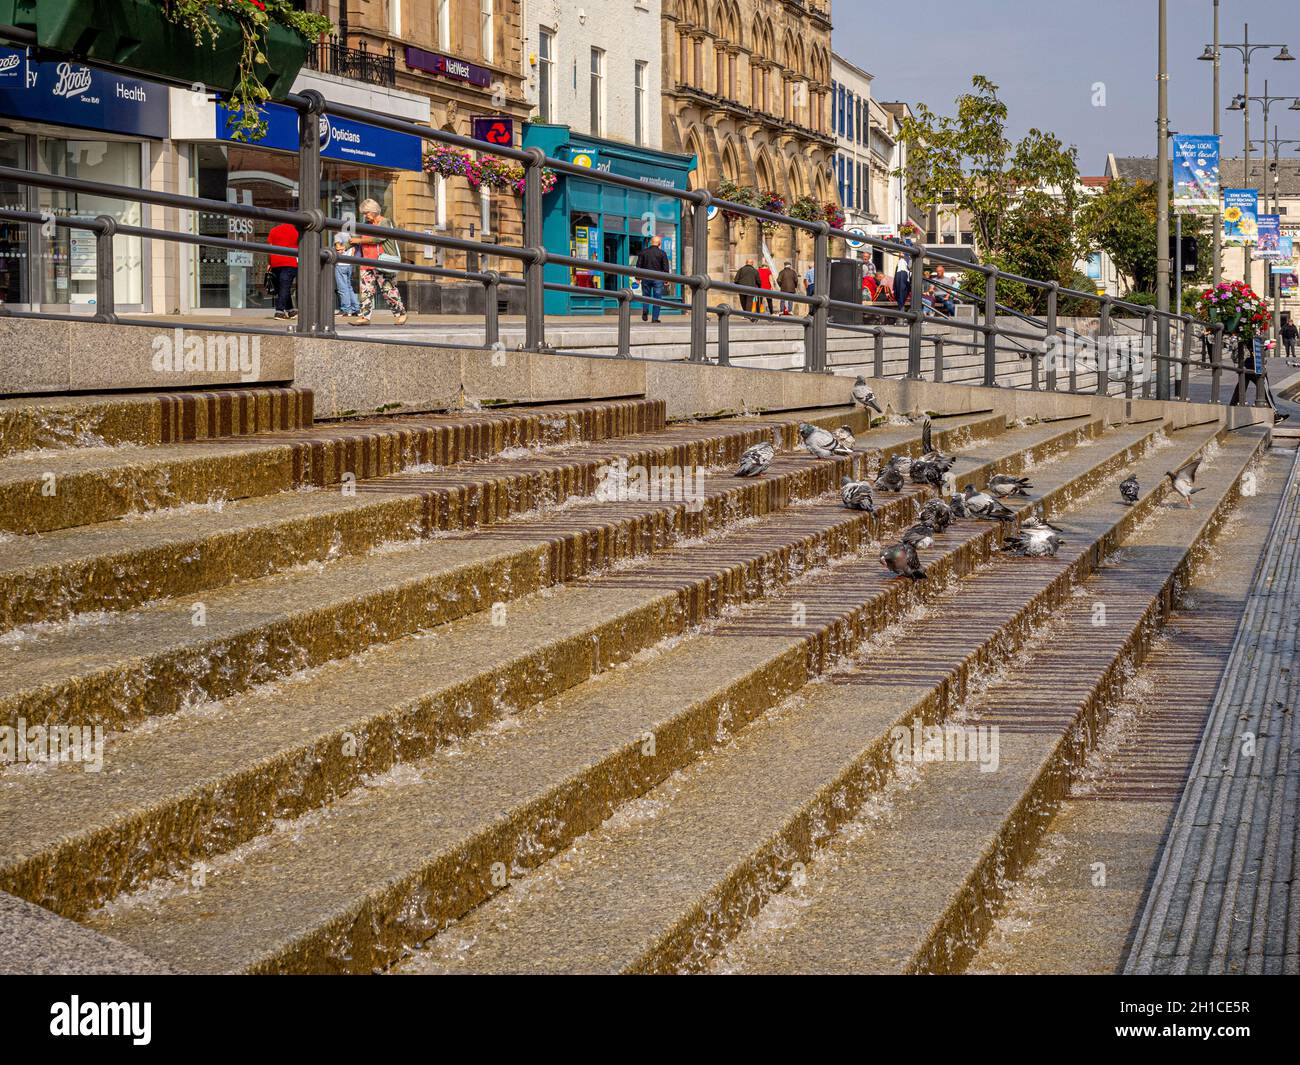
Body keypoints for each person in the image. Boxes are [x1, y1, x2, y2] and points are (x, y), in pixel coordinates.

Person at [348, 198, 407, 326]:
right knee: (366, 291)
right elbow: (357, 238)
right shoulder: (366, 224)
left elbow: (379, 238)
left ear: (374, 211)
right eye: (364, 213)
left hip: (382, 261)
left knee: (388, 290)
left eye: (367, 213)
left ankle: (400, 313)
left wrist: (359, 241)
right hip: (366, 261)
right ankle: (365, 317)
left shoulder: (385, 222)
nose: (365, 216)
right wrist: (346, 246)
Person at [266, 221, 299, 320]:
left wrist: (269, 263)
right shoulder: (297, 230)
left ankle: (290, 310)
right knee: (285, 286)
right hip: (290, 261)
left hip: (276, 261)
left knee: (283, 286)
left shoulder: (274, 230)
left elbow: (270, 248)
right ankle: (279, 311)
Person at [634, 235, 671, 322]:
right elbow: (665, 267)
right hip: (658, 278)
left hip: (645, 277)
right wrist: (666, 279)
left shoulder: (643, 252)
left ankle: (645, 310)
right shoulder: (662, 253)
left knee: (646, 296)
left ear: (651, 243)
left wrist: (638, 277)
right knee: (657, 299)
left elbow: (638, 265)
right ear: (659, 243)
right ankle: (655, 318)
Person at [333, 236, 360, 319]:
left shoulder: (339, 236)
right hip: (349, 265)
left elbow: (339, 250)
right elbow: (353, 251)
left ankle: (346, 309)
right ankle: (356, 309)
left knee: (342, 289)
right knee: (349, 288)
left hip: (341, 265)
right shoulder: (351, 237)